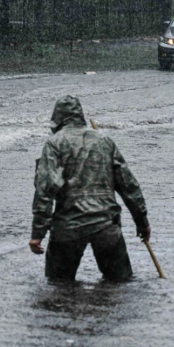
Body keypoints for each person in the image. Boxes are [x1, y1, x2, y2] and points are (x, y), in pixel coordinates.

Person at [28, 96, 150, 282]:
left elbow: (46, 190)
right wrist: (142, 222)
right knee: (120, 287)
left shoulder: (54, 144)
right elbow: (128, 186)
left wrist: (38, 233)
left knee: (57, 289)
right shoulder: (105, 141)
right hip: (106, 225)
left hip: (68, 227)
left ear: (57, 118)